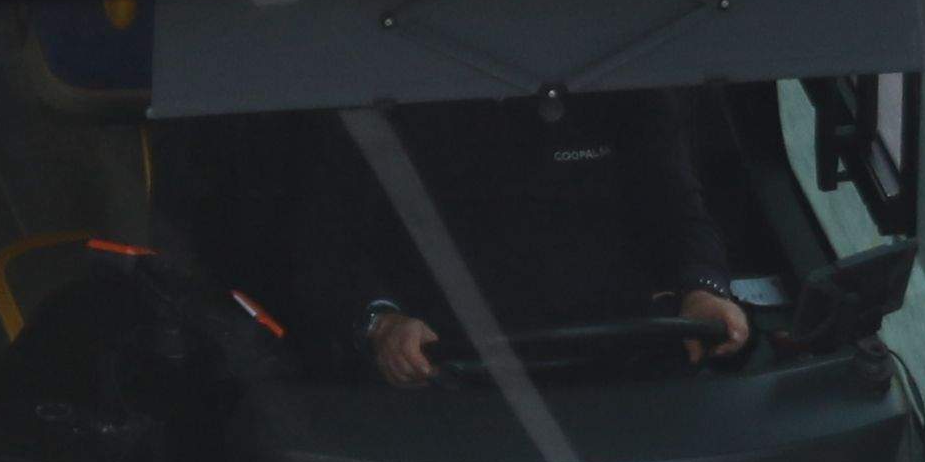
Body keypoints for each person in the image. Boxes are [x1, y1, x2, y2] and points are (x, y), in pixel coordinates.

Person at [300, 87, 752, 387]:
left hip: (632, 365)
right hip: (447, 377)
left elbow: (678, 210)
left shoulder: (625, 78)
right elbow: (331, 242)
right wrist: (384, 324)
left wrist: (703, 291)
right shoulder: (386, 90)